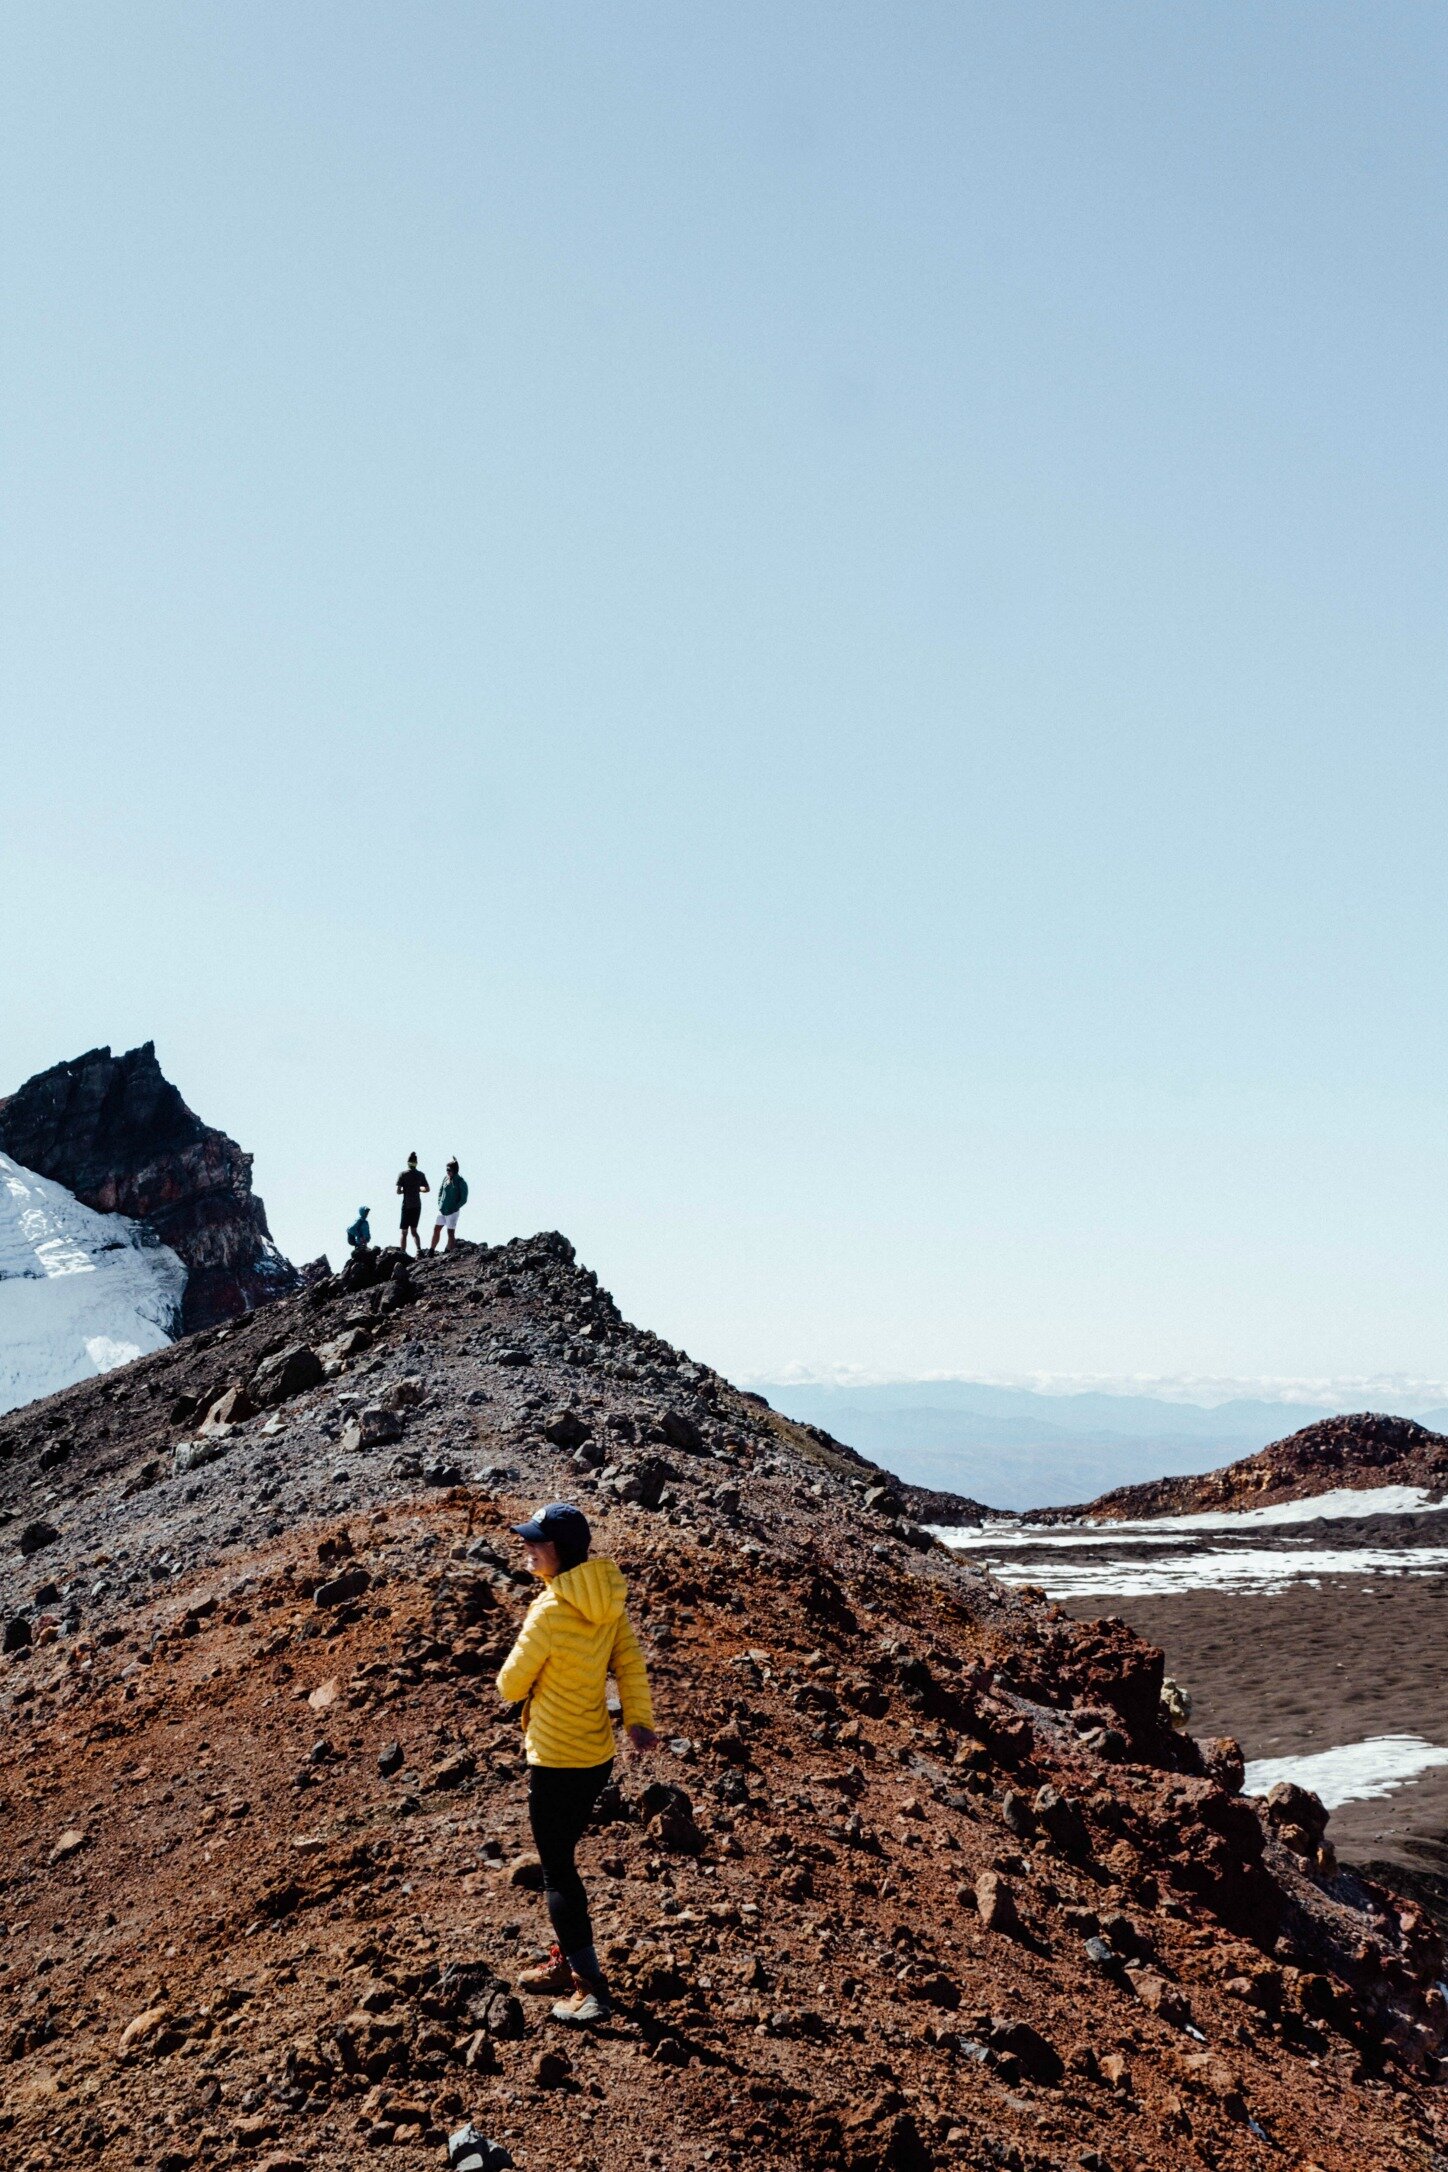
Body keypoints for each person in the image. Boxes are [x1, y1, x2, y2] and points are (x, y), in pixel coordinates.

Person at [496, 1503, 657, 2027]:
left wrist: (531, 1680)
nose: (527, 1548)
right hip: (595, 1757)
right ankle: (566, 1962)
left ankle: (591, 1987)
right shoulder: (608, 1600)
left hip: (555, 1758)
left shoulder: (549, 1610)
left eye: (535, 1542)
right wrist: (638, 1720)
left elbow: (508, 1685)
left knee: (558, 1871)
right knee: (561, 1857)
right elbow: (629, 1664)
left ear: (558, 1551)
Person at [429, 1159, 469, 1254]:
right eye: (447, 1170)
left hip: (453, 1212)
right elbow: (440, 1191)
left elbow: (464, 1199)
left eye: (449, 1170)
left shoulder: (461, 1182)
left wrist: (455, 1207)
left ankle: (449, 1251)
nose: (447, 1172)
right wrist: (440, 1203)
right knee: (436, 1229)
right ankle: (431, 1250)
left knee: (450, 1233)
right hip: (443, 1210)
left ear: (455, 1170)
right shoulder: (445, 1179)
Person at [395, 1154, 429, 1255]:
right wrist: (418, 1189)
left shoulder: (402, 1174)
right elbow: (427, 1189)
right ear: (416, 1163)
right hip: (417, 1205)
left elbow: (398, 1191)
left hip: (406, 1205)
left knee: (404, 1232)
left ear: (408, 1163)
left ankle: (403, 1252)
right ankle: (419, 1250)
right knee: (414, 1231)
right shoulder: (421, 1175)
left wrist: (405, 1191)